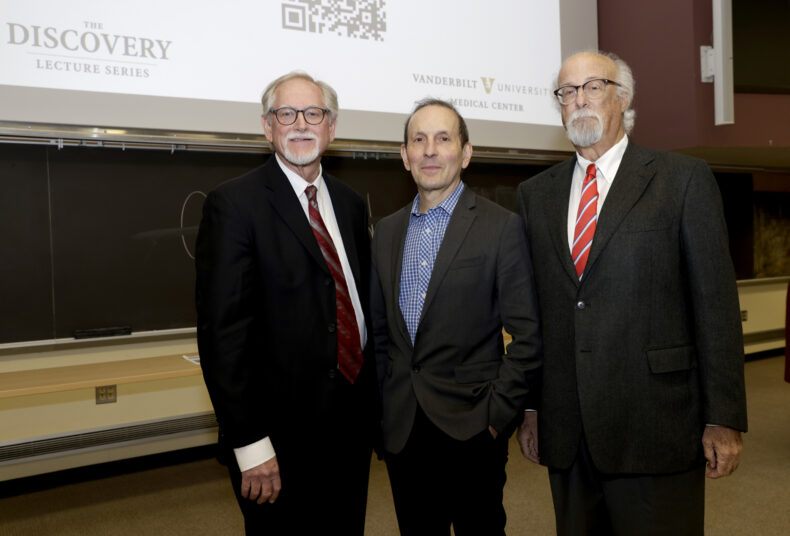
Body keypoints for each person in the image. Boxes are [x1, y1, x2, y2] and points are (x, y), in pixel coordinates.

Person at [515, 51, 748, 534]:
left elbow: (716, 307)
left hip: (657, 427)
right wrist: (533, 408)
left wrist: (723, 416)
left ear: (623, 98)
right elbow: (535, 316)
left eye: (592, 87)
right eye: (567, 92)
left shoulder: (682, 181)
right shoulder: (535, 195)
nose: (579, 100)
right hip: (568, 430)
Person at [195, 71, 377, 535]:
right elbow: (222, 337)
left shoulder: (351, 204)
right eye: (286, 114)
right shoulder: (234, 204)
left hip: (349, 428)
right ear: (267, 126)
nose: (300, 124)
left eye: (313, 113)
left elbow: (355, 307)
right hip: (277, 440)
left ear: (331, 127)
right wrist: (251, 446)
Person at [370, 98, 542, 535]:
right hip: (405, 429)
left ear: (465, 153)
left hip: (473, 429)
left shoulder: (501, 227)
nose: (430, 150)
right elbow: (380, 332)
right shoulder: (386, 231)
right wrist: (383, 417)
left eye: (443, 138)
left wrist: (496, 415)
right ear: (404, 155)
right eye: (418, 140)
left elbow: (527, 334)